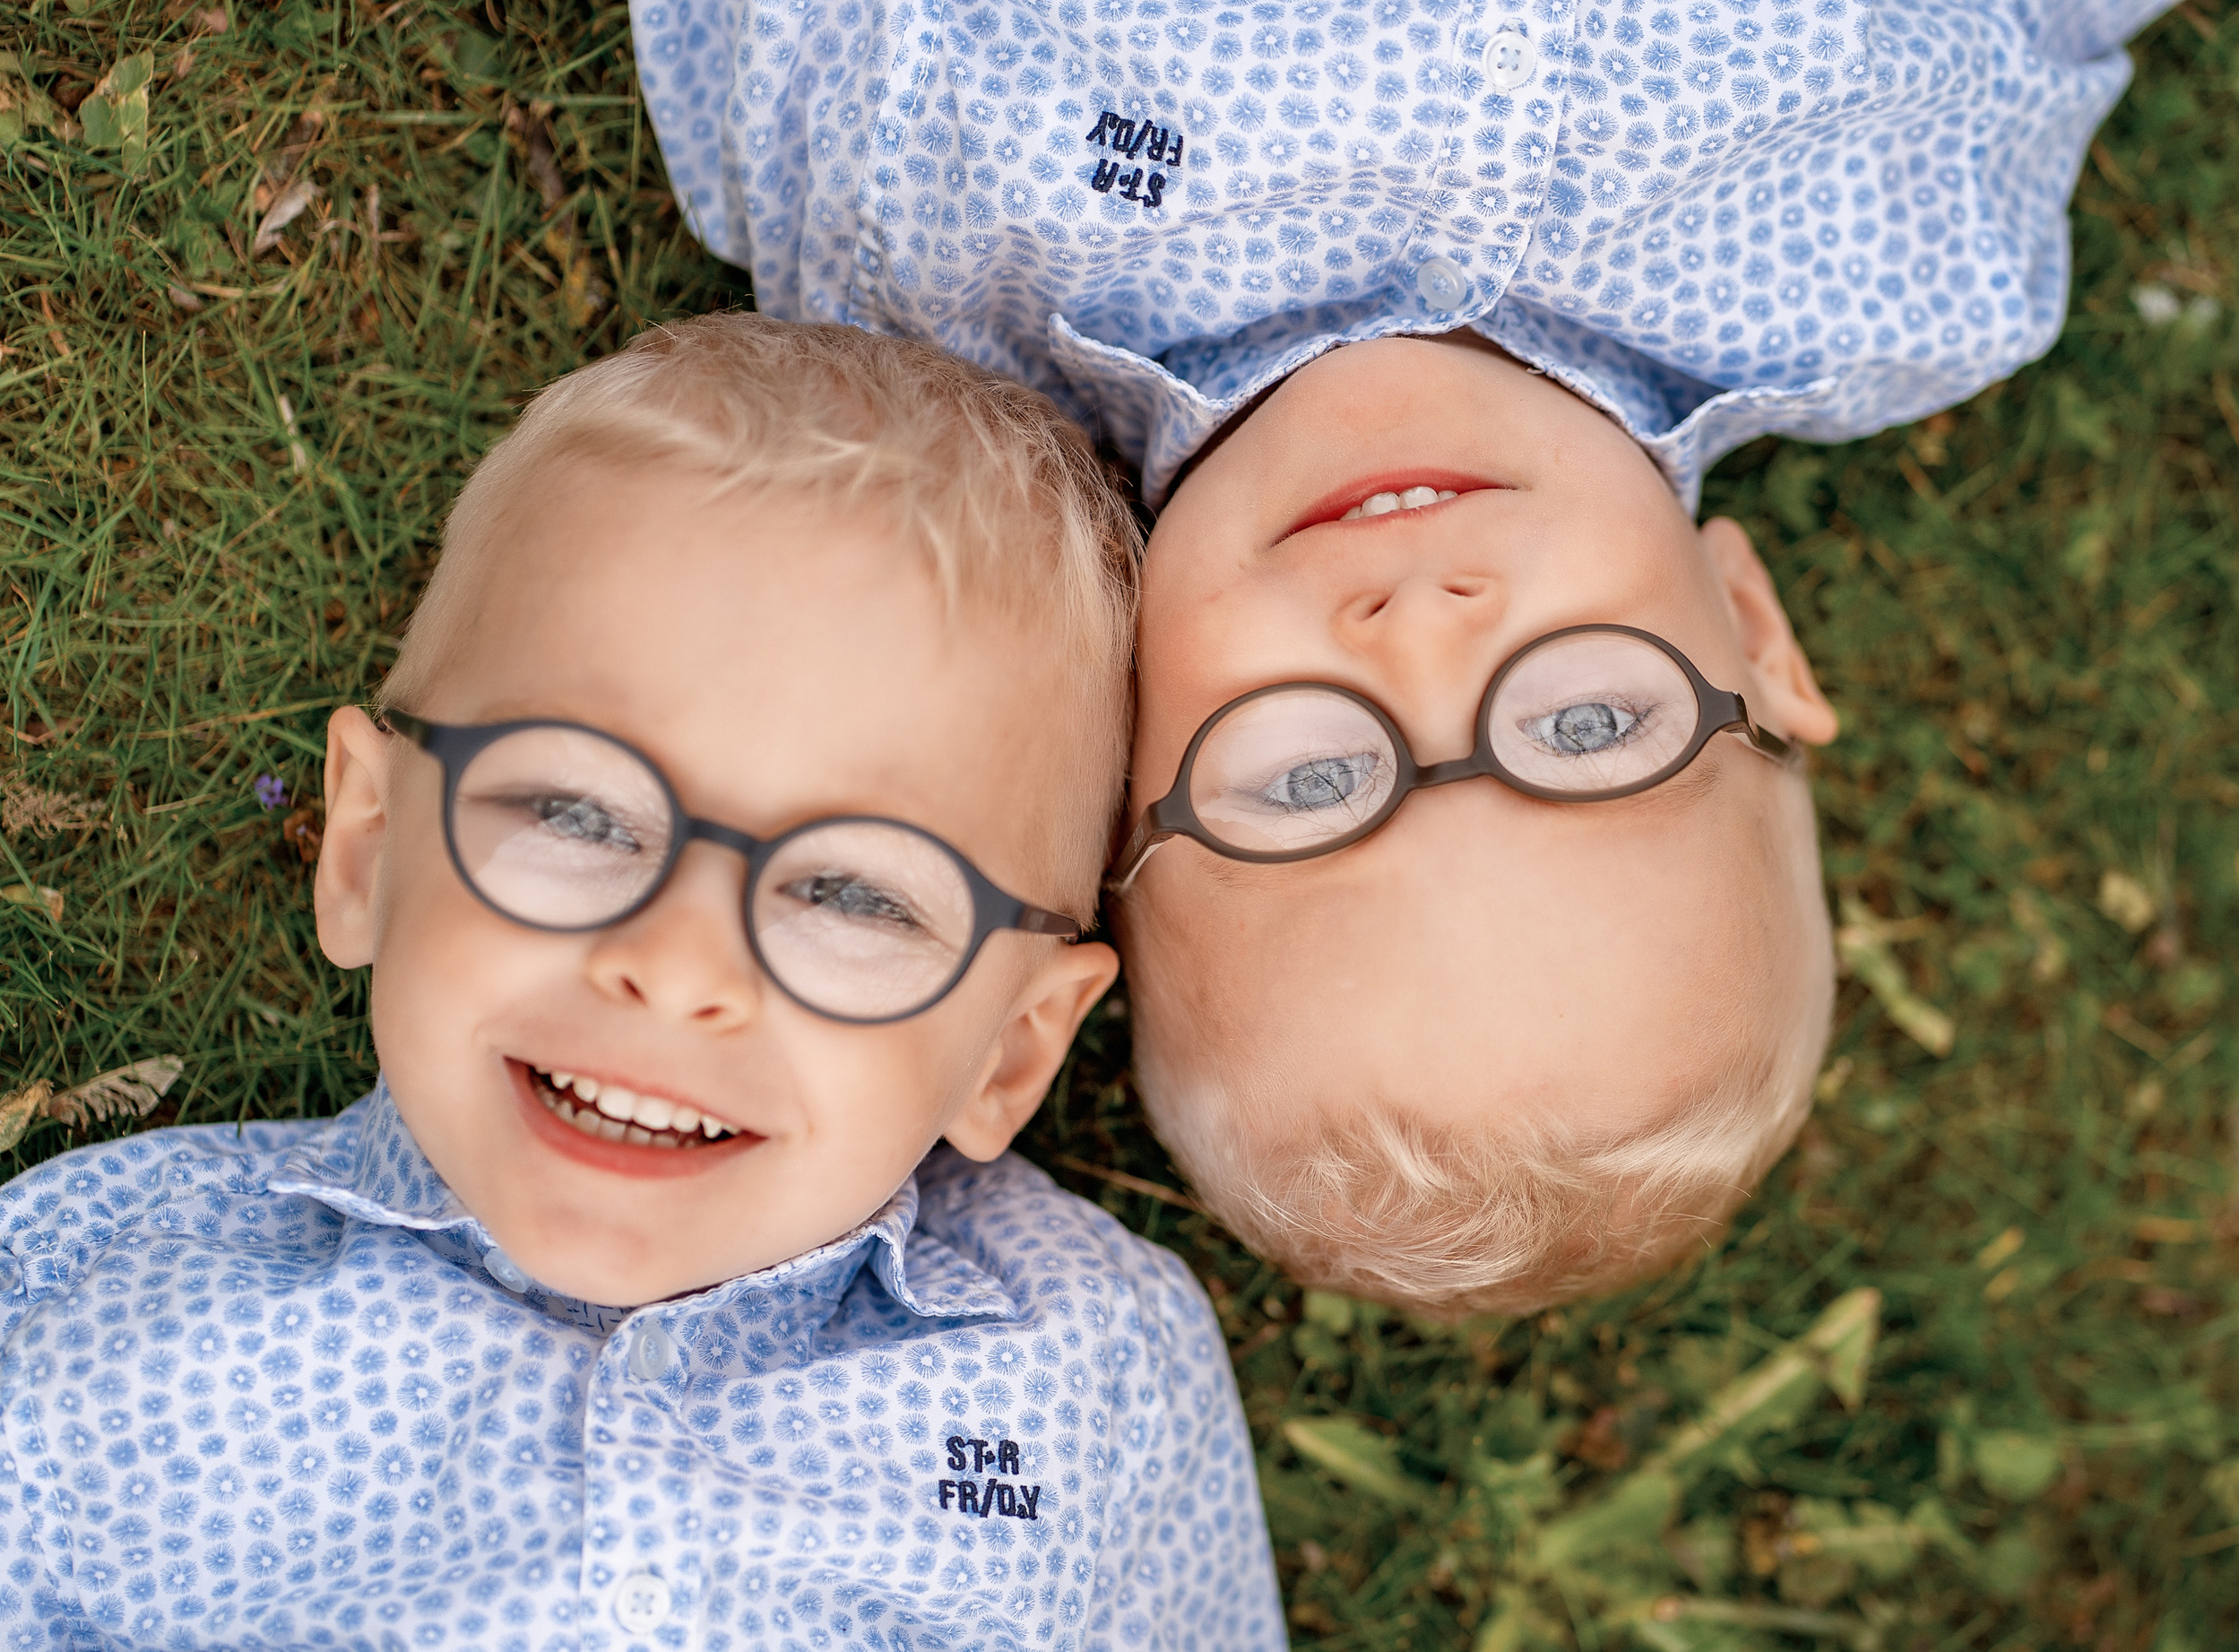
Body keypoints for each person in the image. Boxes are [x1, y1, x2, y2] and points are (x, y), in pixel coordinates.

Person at [632, 0, 2171, 1314]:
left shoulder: (923, 234)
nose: (1422, 633)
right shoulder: (1907, 263)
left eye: (1308, 776)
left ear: (1111, 768)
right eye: (1585, 727)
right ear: (1753, 638)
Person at [0, 316, 1285, 1648]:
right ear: (367, 848)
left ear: (1011, 1049)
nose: (675, 971)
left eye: (853, 893)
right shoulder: (93, 1306)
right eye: (575, 813)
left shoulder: (1090, 1371)